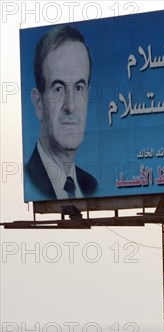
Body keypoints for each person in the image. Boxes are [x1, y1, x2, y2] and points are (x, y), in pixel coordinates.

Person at [24, 25, 98, 201]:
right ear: (38, 103)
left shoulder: (91, 185)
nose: (70, 106)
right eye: (58, 89)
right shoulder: (30, 180)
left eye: (79, 88)